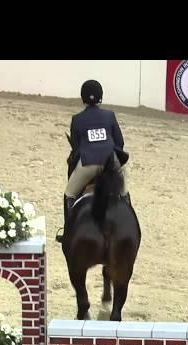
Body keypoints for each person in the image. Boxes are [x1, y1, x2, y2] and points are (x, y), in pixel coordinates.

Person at [56, 79, 130, 243]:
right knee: (124, 192)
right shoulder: (109, 115)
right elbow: (120, 142)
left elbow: (76, 148)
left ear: (83, 98)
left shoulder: (77, 119)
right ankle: (129, 225)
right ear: (100, 97)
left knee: (69, 194)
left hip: (88, 163)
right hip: (111, 163)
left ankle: (68, 232)